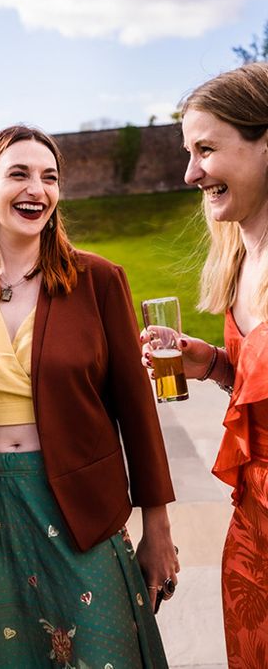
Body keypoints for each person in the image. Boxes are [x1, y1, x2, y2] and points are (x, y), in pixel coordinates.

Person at [0, 124, 178, 667]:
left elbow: (137, 412)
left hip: (82, 505)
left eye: (50, 177)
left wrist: (157, 529)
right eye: (19, 174)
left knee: (105, 654)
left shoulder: (98, 280)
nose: (37, 188)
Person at [142, 62, 268, 665]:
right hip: (252, 527)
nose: (190, 172)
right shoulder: (240, 259)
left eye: (207, 149)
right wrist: (214, 364)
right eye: (188, 152)